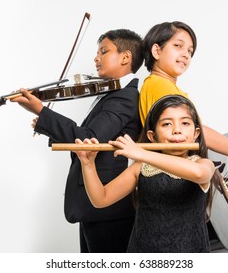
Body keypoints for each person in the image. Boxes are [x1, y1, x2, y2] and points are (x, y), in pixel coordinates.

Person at [10, 29, 144, 253]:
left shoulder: (125, 97)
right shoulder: (114, 94)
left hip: (108, 208)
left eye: (104, 51)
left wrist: (42, 112)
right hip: (94, 206)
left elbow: (89, 138)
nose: (96, 58)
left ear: (125, 57)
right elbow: (90, 135)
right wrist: (46, 125)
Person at [74, 95, 216, 252]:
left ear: (196, 133)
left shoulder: (202, 164)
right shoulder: (141, 167)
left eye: (185, 123)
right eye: (167, 124)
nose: (177, 130)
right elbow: (100, 199)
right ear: (152, 136)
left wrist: (141, 153)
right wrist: (88, 164)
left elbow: (198, 174)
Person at [139, 21, 228, 186]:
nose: (186, 55)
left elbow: (193, 138)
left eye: (190, 51)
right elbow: (202, 133)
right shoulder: (159, 84)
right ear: (156, 51)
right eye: (178, 46)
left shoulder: (164, 87)